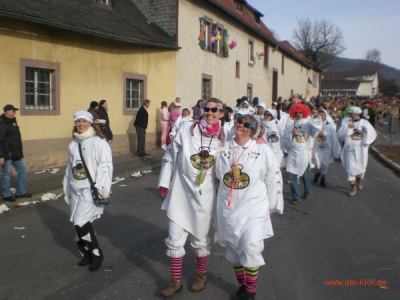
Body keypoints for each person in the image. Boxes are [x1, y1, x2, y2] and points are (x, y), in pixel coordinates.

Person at [157, 98, 225, 297]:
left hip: (204, 195)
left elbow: (229, 166)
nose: (210, 112)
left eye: (215, 110)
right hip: (181, 189)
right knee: (174, 237)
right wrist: (164, 181)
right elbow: (170, 153)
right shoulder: (187, 130)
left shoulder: (224, 136)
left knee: (200, 239)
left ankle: (200, 275)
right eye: (207, 109)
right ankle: (175, 280)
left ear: (221, 113)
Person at [215, 114, 283, 300]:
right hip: (229, 207)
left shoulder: (262, 150)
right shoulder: (223, 147)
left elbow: (273, 176)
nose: (241, 126)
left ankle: (250, 292)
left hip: (254, 206)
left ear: (253, 129)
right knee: (234, 250)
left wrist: (272, 204)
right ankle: (243, 285)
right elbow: (213, 172)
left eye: (247, 124)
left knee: (252, 246)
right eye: (239, 121)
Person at [62, 110, 113, 271]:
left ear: (90, 123)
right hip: (76, 189)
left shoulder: (99, 142)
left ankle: (97, 253)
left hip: (90, 190)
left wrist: (103, 187)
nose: (81, 124)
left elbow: (105, 166)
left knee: (80, 221)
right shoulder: (73, 144)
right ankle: (86, 253)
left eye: (84, 121)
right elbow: (70, 168)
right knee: (78, 224)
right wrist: (67, 188)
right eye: (78, 121)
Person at [282, 103, 321, 204]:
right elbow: (286, 142)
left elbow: (316, 130)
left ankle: (307, 190)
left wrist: (315, 119)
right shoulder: (290, 126)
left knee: (306, 176)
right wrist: (292, 134)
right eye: (296, 112)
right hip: (293, 154)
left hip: (304, 154)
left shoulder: (308, 124)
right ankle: (296, 197)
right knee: (292, 176)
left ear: (304, 113)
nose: (298, 114)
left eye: (300, 112)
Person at [337, 106, 377, 196]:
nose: (350, 115)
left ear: (356, 114)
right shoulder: (347, 122)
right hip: (350, 151)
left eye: (351, 114)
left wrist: (366, 132)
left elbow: (373, 134)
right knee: (350, 169)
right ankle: (353, 188)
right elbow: (339, 134)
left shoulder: (365, 123)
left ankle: (359, 179)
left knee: (361, 169)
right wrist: (347, 128)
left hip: (361, 151)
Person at [0, 104, 32, 202]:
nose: (14, 112)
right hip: (6, 154)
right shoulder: (2, 123)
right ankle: (6, 195)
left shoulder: (13, 122)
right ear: (7, 112)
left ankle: (20, 192)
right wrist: (1, 155)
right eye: (13, 110)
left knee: (23, 170)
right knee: (6, 174)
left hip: (15, 153)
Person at [312, 109, 341, 187]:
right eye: (320, 115)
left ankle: (323, 178)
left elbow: (334, 138)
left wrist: (336, 150)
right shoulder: (314, 125)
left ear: (325, 116)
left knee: (324, 164)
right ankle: (317, 173)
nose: (321, 117)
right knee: (318, 163)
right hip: (317, 148)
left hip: (326, 148)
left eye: (323, 115)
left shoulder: (330, 127)